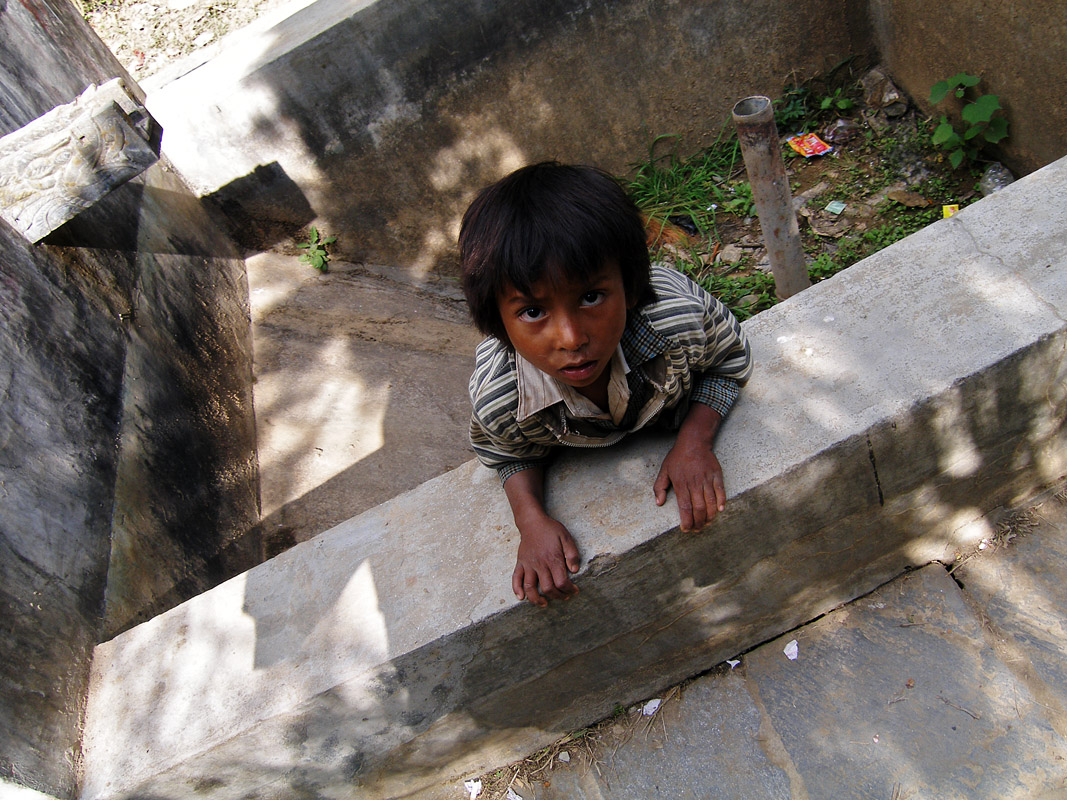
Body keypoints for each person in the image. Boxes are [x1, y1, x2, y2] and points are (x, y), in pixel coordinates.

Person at [461, 162, 752, 607]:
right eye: (533, 312)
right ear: (498, 322)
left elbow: (728, 360)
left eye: (591, 297)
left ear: (631, 287)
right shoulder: (500, 397)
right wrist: (531, 521)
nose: (571, 338)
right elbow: (507, 453)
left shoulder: (677, 322)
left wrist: (695, 441)